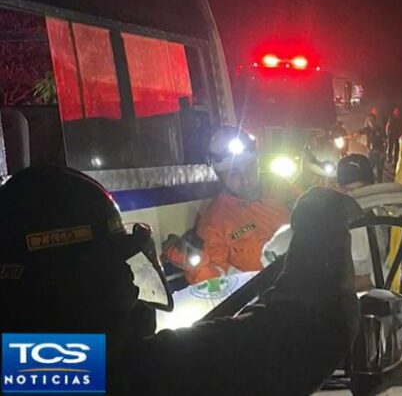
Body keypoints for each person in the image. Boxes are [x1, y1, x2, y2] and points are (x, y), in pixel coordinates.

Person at [0, 166, 361, 395]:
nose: (130, 284)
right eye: (113, 269)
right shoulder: (109, 373)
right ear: (68, 284)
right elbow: (300, 337)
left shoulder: (21, 366)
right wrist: (320, 227)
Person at [166, 126, 290, 284]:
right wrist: (196, 265)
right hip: (269, 293)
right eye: (234, 173)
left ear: (258, 162)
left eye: (250, 167)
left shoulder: (283, 188)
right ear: (220, 175)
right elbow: (216, 281)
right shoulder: (214, 223)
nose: (245, 178)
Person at [263, 154, 380, 291]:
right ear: (338, 189)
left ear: (374, 186)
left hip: (377, 295)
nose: (358, 196)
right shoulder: (325, 218)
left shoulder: (388, 220)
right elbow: (271, 252)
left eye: (364, 189)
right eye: (349, 191)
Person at [358, 114, 386, 183]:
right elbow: (358, 134)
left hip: (379, 152)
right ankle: (371, 183)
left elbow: (385, 141)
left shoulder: (380, 129)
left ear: (375, 120)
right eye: (369, 120)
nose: (371, 121)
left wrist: (384, 152)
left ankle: (380, 185)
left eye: (372, 119)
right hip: (371, 153)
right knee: (369, 169)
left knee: (380, 171)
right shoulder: (366, 129)